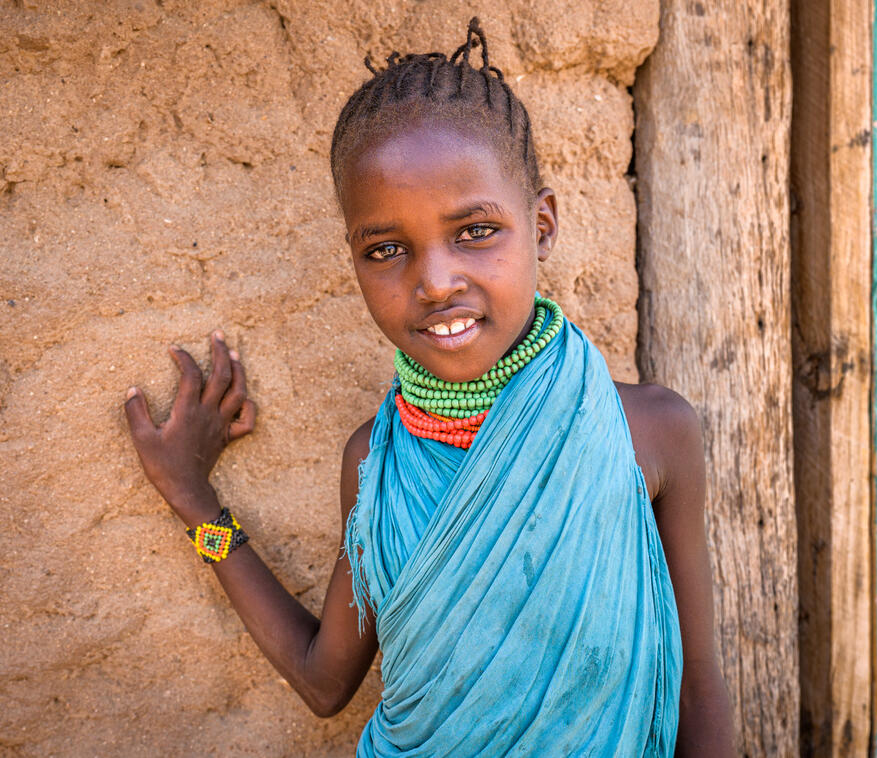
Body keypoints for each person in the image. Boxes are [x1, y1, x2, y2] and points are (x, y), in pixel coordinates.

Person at [123, 18, 733, 757]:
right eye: (387, 249)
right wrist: (195, 501)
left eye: (475, 231)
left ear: (542, 225)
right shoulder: (376, 465)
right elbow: (324, 682)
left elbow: (696, 689)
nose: (436, 282)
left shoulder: (650, 432)